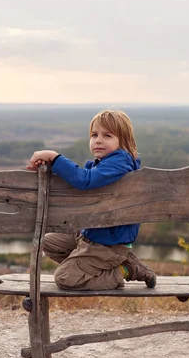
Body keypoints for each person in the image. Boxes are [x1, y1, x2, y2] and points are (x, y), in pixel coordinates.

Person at [26, 110, 156, 290]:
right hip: (92, 234)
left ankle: (125, 269)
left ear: (123, 141)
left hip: (108, 242)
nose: (98, 140)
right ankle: (92, 265)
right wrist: (53, 168)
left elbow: (84, 180)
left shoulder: (120, 161)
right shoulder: (103, 164)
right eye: (94, 135)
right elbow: (85, 177)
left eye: (107, 135)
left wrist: (54, 158)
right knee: (47, 242)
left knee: (65, 278)